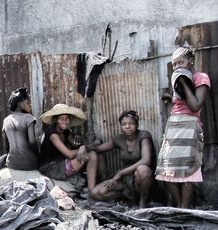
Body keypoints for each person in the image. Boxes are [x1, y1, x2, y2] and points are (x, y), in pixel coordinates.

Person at [155, 45, 210, 208]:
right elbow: (177, 100)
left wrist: (184, 82)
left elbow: (195, 106)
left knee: (188, 170)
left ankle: (184, 210)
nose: (177, 67)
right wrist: (170, 92)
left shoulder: (200, 77)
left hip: (190, 125)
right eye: (174, 64)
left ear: (191, 61)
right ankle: (179, 208)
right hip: (174, 125)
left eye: (181, 62)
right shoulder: (178, 79)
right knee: (166, 169)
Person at [85, 110, 154, 208]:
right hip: (126, 180)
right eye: (124, 124)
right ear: (120, 126)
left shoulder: (144, 136)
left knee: (143, 169)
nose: (127, 126)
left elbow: (146, 160)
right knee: (96, 192)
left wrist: (120, 173)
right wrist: (84, 148)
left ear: (137, 125)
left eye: (131, 123)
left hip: (142, 181)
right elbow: (98, 148)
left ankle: (143, 202)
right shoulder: (119, 139)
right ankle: (126, 197)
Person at [38, 104, 89, 181]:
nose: (64, 121)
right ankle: (93, 189)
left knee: (94, 153)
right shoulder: (51, 133)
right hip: (50, 167)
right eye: (61, 119)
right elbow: (70, 154)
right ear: (56, 120)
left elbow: (74, 145)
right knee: (90, 155)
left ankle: (99, 183)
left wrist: (82, 146)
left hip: (60, 162)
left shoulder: (66, 132)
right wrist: (83, 148)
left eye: (67, 119)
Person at [2, 87, 39, 170]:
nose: (30, 105)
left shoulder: (6, 120)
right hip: (29, 163)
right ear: (19, 104)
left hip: (12, 163)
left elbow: (7, 145)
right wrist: (38, 155)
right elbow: (32, 142)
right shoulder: (28, 118)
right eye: (28, 102)